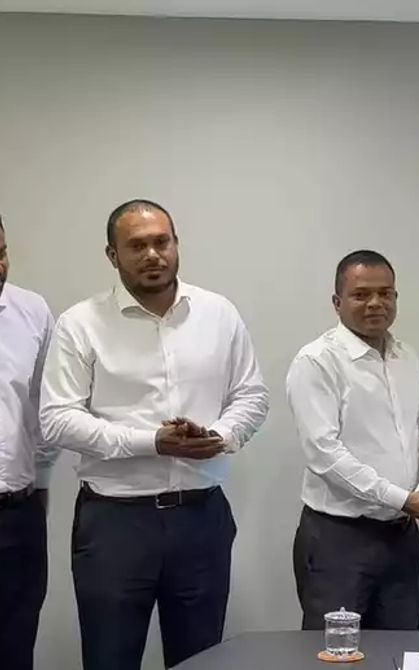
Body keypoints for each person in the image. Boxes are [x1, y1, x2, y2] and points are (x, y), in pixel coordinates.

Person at [39, 199, 269, 669]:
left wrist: (220, 435)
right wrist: (152, 442)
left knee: (199, 660)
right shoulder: (80, 323)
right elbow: (58, 418)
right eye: (137, 246)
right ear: (113, 255)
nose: (152, 255)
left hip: (201, 518)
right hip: (115, 525)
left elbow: (252, 395)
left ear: (176, 244)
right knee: (110, 658)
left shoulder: (218, 313)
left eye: (161, 242)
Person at [288, 250, 419, 631]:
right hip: (339, 540)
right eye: (361, 294)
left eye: (385, 293)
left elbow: (411, 426)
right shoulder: (317, 361)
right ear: (337, 302)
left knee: (399, 649)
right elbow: (324, 454)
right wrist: (403, 498)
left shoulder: (405, 356)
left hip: (400, 537)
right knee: (334, 652)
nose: (375, 303)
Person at [0, 214, 57, 670]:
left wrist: (41, 483)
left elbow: (45, 407)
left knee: (16, 647)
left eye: (1, 253)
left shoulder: (31, 311)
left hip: (15, 515)